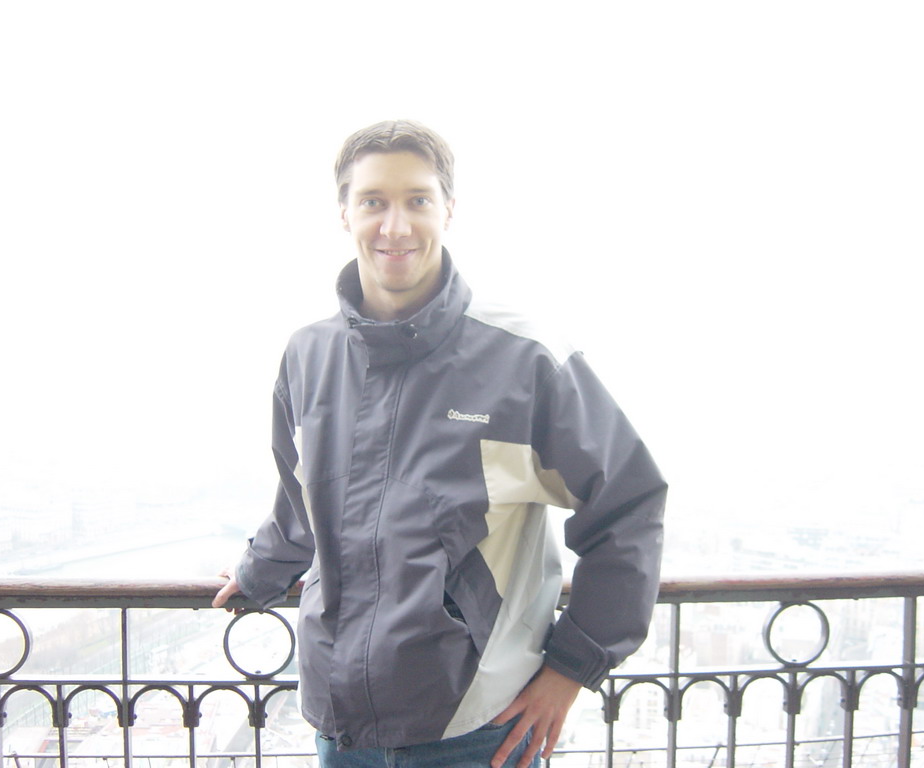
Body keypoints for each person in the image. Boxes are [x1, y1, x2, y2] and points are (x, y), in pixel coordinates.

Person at [213, 120, 667, 768]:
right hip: (341, 729)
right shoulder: (307, 356)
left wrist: (572, 667)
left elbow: (629, 503)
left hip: (480, 732)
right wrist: (259, 572)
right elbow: (300, 501)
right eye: (374, 201)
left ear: (448, 210)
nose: (395, 226)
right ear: (344, 213)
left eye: (417, 200)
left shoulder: (524, 361)